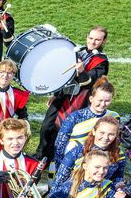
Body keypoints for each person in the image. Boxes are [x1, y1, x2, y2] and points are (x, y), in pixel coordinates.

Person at [39, 26, 109, 166]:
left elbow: (89, 82)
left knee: (62, 129)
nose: (92, 42)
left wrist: (82, 71)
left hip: (79, 99)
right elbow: (65, 77)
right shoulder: (79, 51)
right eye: (90, 38)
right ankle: (41, 154)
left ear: (104, 41)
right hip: (63, 95)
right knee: (47, 126)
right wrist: (56, 94)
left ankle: (54, 159)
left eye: (97, 40)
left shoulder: (101, 62)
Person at [54, 78, 118, 163]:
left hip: (101, 161)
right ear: (91, 98)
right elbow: (60, 142)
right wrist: (59, 163)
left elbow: (116, 142)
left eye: (107, 101)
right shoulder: (76, 116)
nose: (103, 104)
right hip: (74, 160)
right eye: (100, 100)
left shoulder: (114, 116)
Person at [52, 115, 125, 187]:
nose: (106, 137)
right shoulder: (78, 151)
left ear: (116, 135)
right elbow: (59, 181)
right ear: (94, 131)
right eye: (102, 133)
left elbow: (117, 178)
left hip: (100, 195)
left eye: (111, 134)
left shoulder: (119, 155)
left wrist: (117, 187)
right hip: (73, 194)